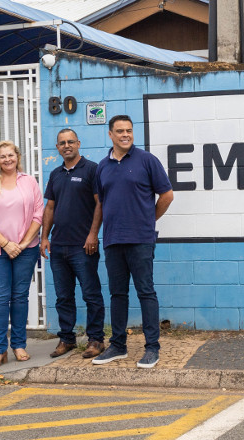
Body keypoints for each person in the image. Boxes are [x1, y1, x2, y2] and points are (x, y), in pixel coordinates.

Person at [91, 115, 173, 369]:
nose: (125, 134)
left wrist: (148, 220)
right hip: (113, 239)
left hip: (140, 239)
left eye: (129, 130)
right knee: (117, 294)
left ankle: (152, 348)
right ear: (110, 134)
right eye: (120, 131)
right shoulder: (102, 166)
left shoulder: (147, 160)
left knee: (146, 292)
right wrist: (94, 233)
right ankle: (118, 345)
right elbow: (101, 204)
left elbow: (167, 195)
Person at [0, 140, 43, 369]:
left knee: (20, 297)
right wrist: (6, 244)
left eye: (10, 155)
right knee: (0, 299)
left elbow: (38, 214)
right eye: (2, 156)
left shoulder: (29, 182)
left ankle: (19, 345)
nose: (7, 159)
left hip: (26, 249)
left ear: (17, 156)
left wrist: (22, 244)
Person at [40, 128, 107, 359]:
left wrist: (92, 235)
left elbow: (100, 204)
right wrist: (44, 237)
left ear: (78, 143)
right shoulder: (56, 173)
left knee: (91, 294)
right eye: (61, 143)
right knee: (63, 296)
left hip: (83, 246)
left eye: (70, 142)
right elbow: (50, 207)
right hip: (58, 247)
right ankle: (66, 339)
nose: (66, 145)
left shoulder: (92, 169)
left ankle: (96, 340)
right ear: (57, 148)